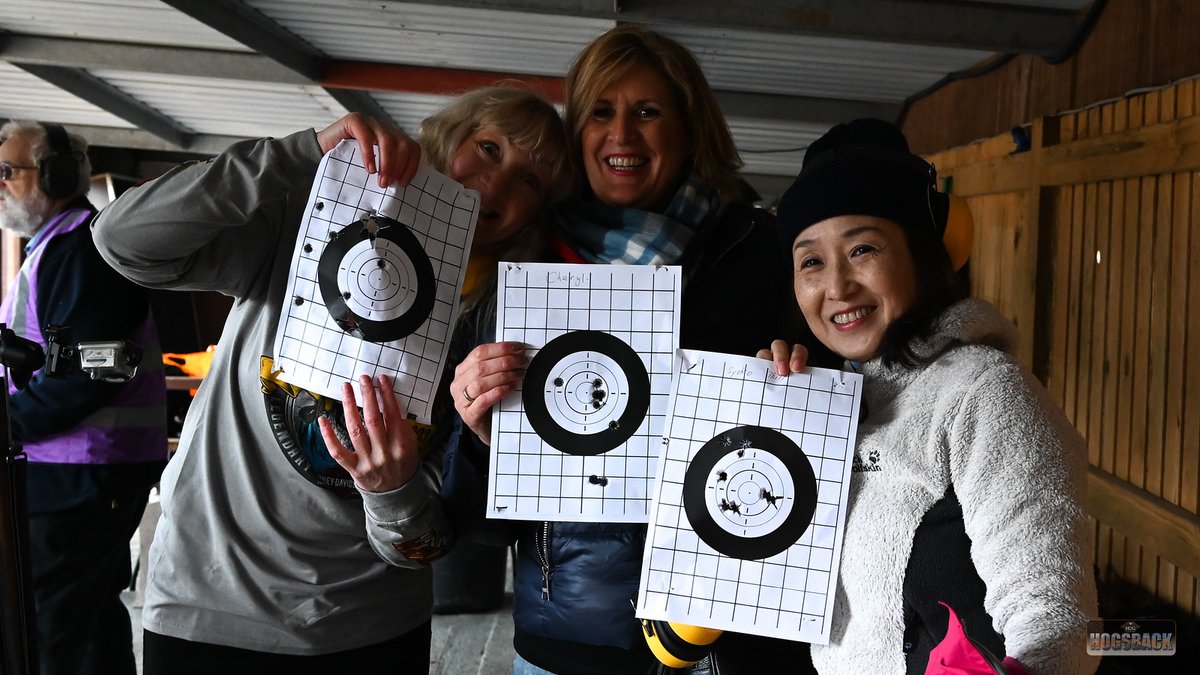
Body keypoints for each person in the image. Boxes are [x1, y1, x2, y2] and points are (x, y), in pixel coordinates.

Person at [91, 86, 573, 673]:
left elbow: (434, 544)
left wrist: (393, 490)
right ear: (448, 136)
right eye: (490, 148)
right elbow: (123, 240)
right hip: (210, 609)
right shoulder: (309, 216)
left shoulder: (500, 335)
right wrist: (301, 154)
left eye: (532, 181)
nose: (499, 183)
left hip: (371, 631)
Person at [441, 25, 802, 674]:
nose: (621, 136)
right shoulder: (525, 262)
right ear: (577, 130)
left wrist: (798, 379)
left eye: (648, 112)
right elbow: (475, 526)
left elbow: (825, 449)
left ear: (692, 127)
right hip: (569, 637)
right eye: (601, 113)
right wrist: (476, 434)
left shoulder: (760, 251)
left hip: (730, 632)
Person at [759, 118, 1098, 675]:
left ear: (921, 254)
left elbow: (1056, 616)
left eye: (862, 248)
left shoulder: (984, 393)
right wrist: (751, 427)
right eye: (810, 261)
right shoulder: (826, 405)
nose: (837, 286)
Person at [0, 120, 168, 675]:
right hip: (77, 469)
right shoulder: (56, 248)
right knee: (89, 623)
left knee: (51, 629)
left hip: (84, 472)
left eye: (8, 171)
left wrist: (8, 422)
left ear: (55, 175)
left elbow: (91, 373)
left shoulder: (83, 251)